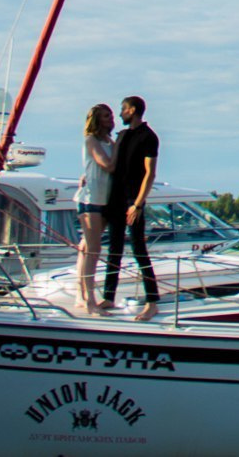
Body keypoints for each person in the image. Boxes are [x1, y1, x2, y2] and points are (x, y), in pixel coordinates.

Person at [101, 95, 160, 320]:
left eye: (123, 110)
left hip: (133, 201)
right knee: (114, 249)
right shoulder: (122, 135)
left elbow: (150, 173)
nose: (120, 114)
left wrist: (138, 204)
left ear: (132, 110)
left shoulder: (148, 137)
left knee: (138, 250)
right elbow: (111, 165)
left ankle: (152, 301)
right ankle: (109, 296)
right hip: (115, 199)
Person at [75, 103, 115, 315]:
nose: (110, 119)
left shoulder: (110, 141)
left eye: (110, 116)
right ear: (97, 120)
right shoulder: (91, 140)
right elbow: (107, 164)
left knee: (85, 248)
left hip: (105, 199)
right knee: (93, 249)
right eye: (106, 116)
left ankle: (80, 294)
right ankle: (90, 300)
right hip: (91, 200)